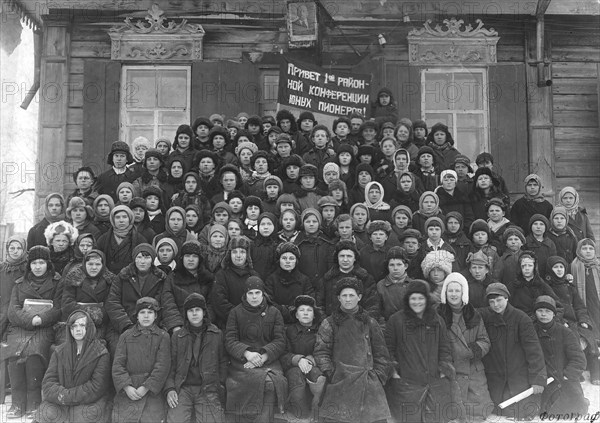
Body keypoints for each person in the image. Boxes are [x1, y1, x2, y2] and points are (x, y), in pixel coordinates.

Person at [314, 277, 392, 423]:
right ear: (338, 298)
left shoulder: (370, 322)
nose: (348, 299)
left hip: (368, 380)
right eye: (344, 296)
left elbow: (382, 354)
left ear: (359, 297)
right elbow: (321, 352)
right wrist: (332, 374)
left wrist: (378, 376)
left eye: (351, 295)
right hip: (340, 381)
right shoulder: (329, 323)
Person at [384, 279, 457, 423]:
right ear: (407, 300)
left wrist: (444, 368)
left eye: (420, 298)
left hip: (434, 381)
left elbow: (445, 347)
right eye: (413, 298)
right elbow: (387, 349)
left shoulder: (436, 320)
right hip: (406, 384)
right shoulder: (396, 320)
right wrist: (393, 371)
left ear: (427, 299)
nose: (417, 302)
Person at [6, 246, 63, 419]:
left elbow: (59, 308)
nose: (37, 266)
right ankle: (17, 403)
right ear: (29, 265)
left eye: (41, 262)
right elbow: (13, 310)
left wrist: (41, 319)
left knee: (34, 352)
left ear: (48, 264)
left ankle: (34, 402)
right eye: (34, 263)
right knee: (14, 352)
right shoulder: (20, 283)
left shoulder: (57, 282)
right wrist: (29, 320)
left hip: (45, 327)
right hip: (22, 326)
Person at [224, 276, 288, 423]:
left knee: (271, 383)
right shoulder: (235, 312)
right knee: (255, 382)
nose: (254, 297)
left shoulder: (274, 312)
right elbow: (230, 340)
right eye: (250, 293)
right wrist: (247, 354)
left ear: (263, 293)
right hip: (242, 363)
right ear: (245, 295)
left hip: (268, 361)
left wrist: (262, 357)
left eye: (257, 293)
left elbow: (280, 341)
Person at [479, 282, 547, 420]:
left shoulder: (521, 319)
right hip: (495, 376)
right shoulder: (485, 317)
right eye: (491, 302)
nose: (496, 305)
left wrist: (538, 379)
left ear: (507, 298)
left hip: (518, 374)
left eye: (499, 300)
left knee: (523, 410)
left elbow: (534, 350)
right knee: (495, 409)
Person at [36, 310, 111, 423]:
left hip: (88, 401)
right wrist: (62, 395)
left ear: (89, 328)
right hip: (61, 401)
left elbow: (96, 387)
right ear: (69, 329)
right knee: (46, 414)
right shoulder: (59, 351)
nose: (78, 329)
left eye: (82, 325)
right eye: (74, 326)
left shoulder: (100, 353)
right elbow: (48, 382)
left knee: (84, 417)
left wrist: (69, 397)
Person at [437, 273, 494, 422]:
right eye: (450, 290)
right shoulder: (438, 315)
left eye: (457, 290)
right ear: (445, 293)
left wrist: (470, 351)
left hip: (472, 371)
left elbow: (485, 340)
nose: (454, 294)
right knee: (449, 415)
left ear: (464, 292)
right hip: (449, 371)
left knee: (477, 415)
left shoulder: (473, 315)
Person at [164, 293, 227, 423]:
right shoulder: (177, 336)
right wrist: (170, 389)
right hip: (183, 388)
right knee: (176, 420)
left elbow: (222, 362)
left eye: (197, 310)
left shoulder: (216, 334)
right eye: (190, 311)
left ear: (204, 312)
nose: (194, 314)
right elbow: (170, 365)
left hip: (207, 388)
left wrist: (219, 384)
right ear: (186, 314)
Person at [112, 297, 171, 423]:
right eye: (142, 312)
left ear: (155, 316)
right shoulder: (126, 336)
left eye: (150, 313)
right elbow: (118, 365)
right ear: (137, 316)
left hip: (151, 392)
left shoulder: (163, 336)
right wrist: (127, 387)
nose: (146, 316)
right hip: (129, 391)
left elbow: (162, 366)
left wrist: (146, 387)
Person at [533, 296, 589, 415]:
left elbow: (578, 358)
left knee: (570, 410)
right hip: (541, 379)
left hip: (563, 378)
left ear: (554, 314)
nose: (543, 314)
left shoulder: (565, 332)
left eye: (547, 311)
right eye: (540, 311)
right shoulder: (530, 331)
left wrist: (568, 375)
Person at [105, 244, 168, 337]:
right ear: (134, 259)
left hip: (151, 324)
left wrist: (148, 324)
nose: (142, 261)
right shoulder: (123, 276)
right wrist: (126, 325)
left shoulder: (160, 278)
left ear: (152, 260)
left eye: (147, 257)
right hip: (123, 325)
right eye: (139, 257)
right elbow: (113, 302)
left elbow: (161, 303)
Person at [61, 249, 118, 351]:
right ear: (84, 263)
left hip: (101, 324)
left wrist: (98, 315)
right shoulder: (73, 279)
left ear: (103, 265)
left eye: (97, 264)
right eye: (90, 264)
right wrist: (91, 312)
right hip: (75, 322)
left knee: (97, 347)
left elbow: (111, 305)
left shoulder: (110, 282)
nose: (94, 267)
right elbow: (67, 305)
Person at [281, 295, 325, 421]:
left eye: (309, 310)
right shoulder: (288, 331)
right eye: (301, 310)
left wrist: (311, 359)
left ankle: (316, 411)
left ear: (314, 315)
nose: (305, 313)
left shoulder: (322, 330)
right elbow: (282, 354)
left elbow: (325, 351)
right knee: (297, 385)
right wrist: (297, 359)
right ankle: (301, 413)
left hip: (314, 365)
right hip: (293, 367)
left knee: (318, 378)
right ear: (296, 315)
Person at [161, 241, 215, 334]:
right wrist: (176, 326)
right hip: (179, 327)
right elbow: (168, 304)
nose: (191, 259)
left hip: (203, 327)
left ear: (200, 259)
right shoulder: (172, 277)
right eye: (187, 256)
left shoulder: (208, 278)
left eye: (194, 256)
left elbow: (211, 304)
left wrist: (203, 323)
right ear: (182, 258)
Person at [211, 236, 259, 328]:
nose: (238, 255)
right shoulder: (221, 275)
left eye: (242, 252)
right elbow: (219, 303)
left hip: (252, 324)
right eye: (234, 252)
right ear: (229, 254)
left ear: (247, 255)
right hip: (228, 325)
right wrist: (239, 316)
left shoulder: (254, 276)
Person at [318, 240, 375, 317]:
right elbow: (319, 305)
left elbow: (372, 305)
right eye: (342, 256)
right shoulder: (327, 279)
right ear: (337, 258)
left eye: (349, 256)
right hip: (332, 324)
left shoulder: (365, 278)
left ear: (355, 258)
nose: (345, 260)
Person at [571, 238, 600, 385]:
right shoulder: (575, 266)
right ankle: (589, 366)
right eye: (584, 248)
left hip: (596, 303)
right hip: (582, 305)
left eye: (590, 248)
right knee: (587, 334)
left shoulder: (597, 266)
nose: (588, 251)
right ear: (578, 250)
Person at [265, 242, 314, 324]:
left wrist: (295, 311)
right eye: (284, 258)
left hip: (299, 322)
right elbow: (269, 302)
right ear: (279, 260)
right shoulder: (271, 279)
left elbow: (308, 301)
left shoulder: (304, 280)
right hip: (276, 321)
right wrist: (284, 310)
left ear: (296, 261)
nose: (287, 261)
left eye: (291, 258)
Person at [97, 205, 147, 274]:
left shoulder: (140, 239)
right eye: (117, 217)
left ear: (130, 219)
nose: (121, 220)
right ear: (112, 220)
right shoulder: (103, 239)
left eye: (124, 217)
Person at [376, 246, 414, 323]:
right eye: (392, 265)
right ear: (387, 266)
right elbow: (377, 311)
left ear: (406, 266)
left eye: (399, 264)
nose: (395, 268)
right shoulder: (381, 285)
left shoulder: (413, 285)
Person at [0, 236, 27, 342]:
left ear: (24, 249)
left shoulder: (27, 268)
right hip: (3, 305)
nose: (15, 251)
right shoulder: (2, 268)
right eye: (12, 248)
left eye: (19, 248)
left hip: (19, 306)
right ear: (7, 249)